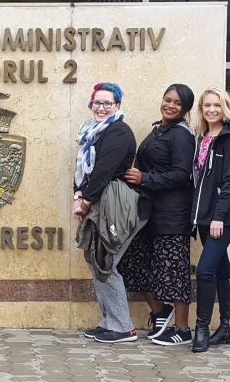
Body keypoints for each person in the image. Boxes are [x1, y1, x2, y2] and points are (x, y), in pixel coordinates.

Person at [120, 84, 196, 346]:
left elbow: (182, 174)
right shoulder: (158, 130)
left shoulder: (182, 135)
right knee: (133, 262)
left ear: (185, 109)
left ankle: (182, 329)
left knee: (174, 271)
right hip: (148, 212)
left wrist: (145, 178)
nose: (170, 105)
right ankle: (160, 311)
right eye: (168, 100)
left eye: (177, 103)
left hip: (173, 214)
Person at [73, 82, 140, 343]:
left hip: (115, 205)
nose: (101, 108)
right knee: (96, 260)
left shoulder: (118, 131)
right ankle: (109, 321)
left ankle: (123, 327)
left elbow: (103, 171)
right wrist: (79, 194)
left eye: (107, 103)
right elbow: (85, 170)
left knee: (105, 262)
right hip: (101, 203)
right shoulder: (92, 133)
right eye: (97, 103)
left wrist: (84, 201)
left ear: (117, 105)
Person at [189, 88, 230, 352]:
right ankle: (228, 328)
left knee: (204, 271)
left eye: (216, 105)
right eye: (207, 105)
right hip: (203, 216)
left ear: (225, 108)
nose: (211, 110)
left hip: (222, 218)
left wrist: (219, 216)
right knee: (222, 270)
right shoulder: (202, 137)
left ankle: (202, 328)